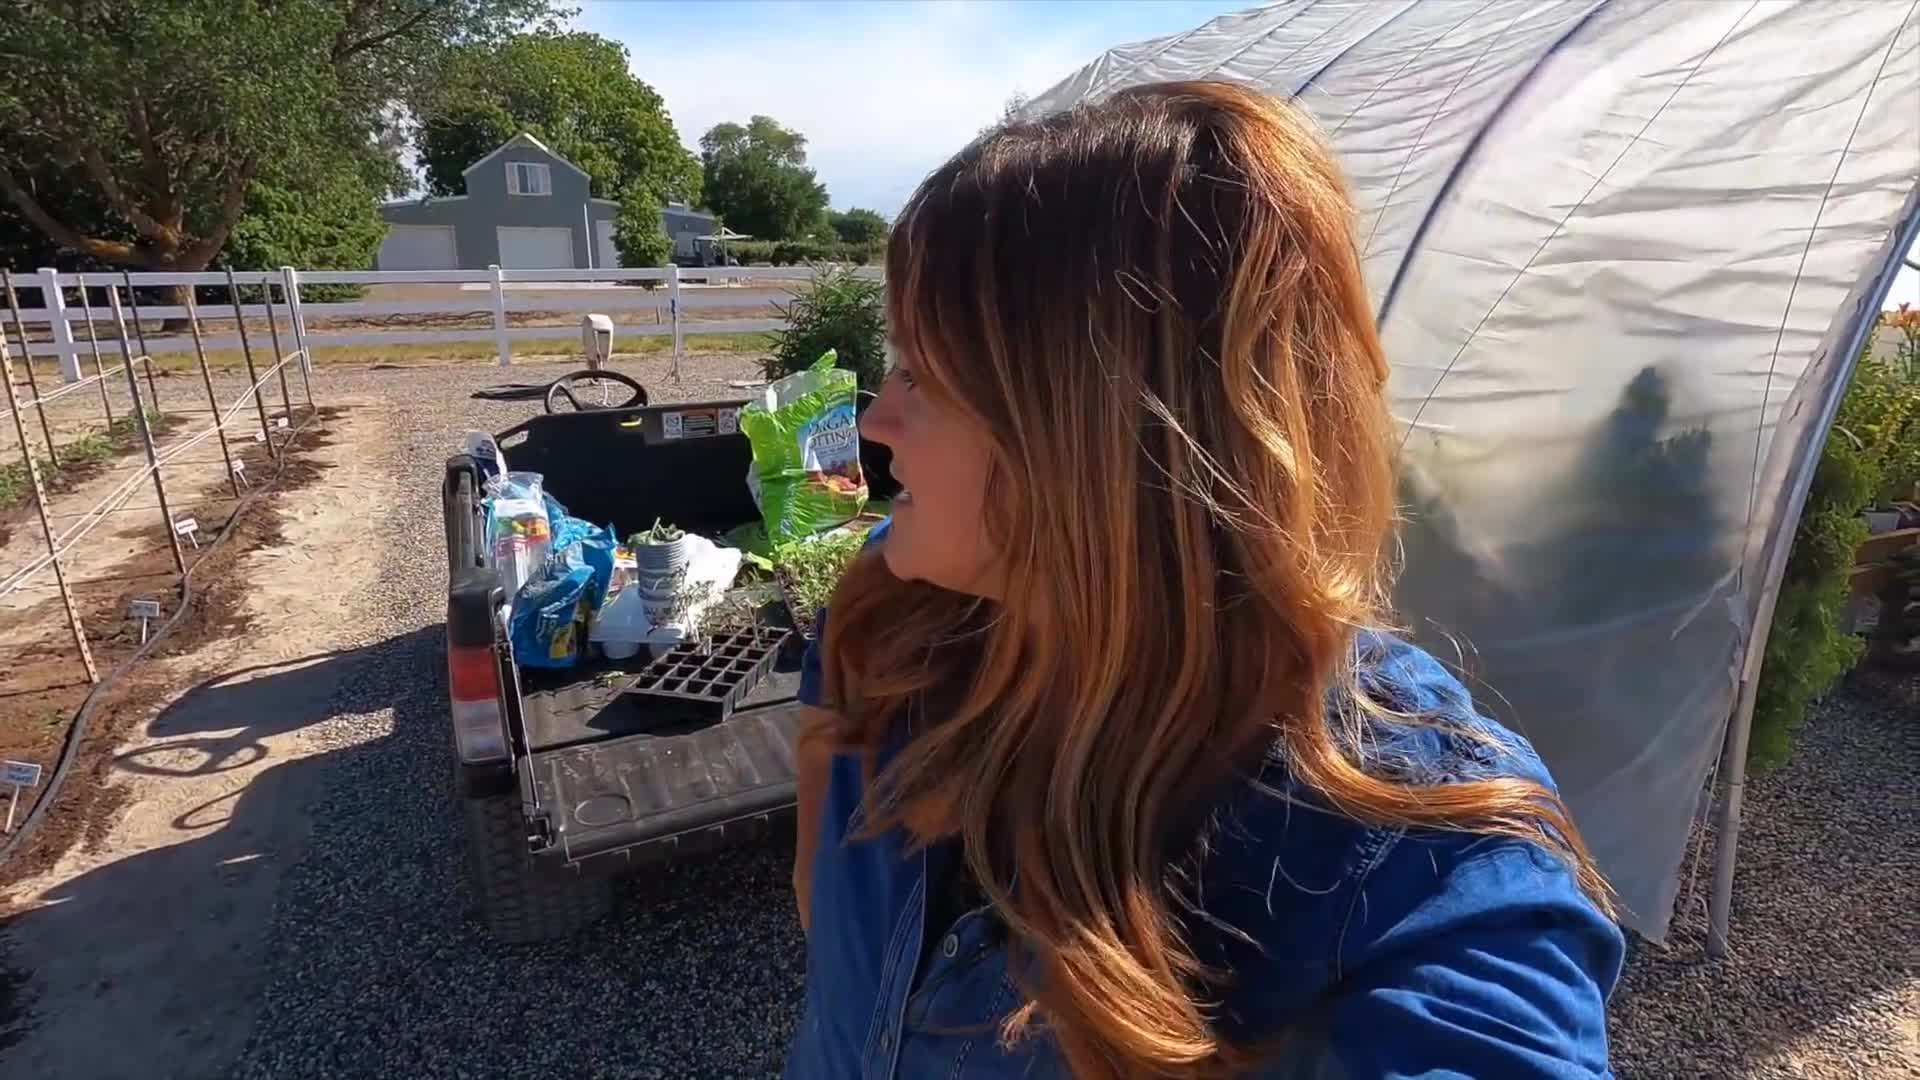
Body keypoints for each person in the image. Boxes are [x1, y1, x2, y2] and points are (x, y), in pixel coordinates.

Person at [787, 81, 1624, 1079]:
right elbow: (828, 905)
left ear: (1092, 435)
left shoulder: (1417, 849)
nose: (875, 420)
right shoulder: (890, 620)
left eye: (922, 372)